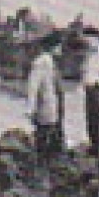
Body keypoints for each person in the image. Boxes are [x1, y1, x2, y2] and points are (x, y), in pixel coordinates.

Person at [24, 35, 66, 181]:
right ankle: (41, 168)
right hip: (45, 106)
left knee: (53, 135)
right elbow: (33, 86)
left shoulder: (52, 63)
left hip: (54, 106)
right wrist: (30, 108)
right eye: (59, 46)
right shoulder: (41, 63)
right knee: (44, 136)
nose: (61, 50)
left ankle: (51, 167)